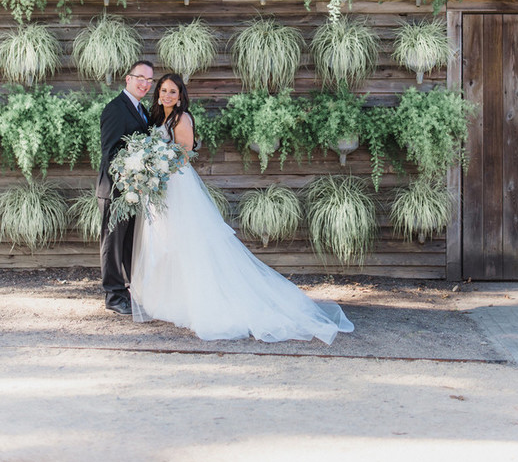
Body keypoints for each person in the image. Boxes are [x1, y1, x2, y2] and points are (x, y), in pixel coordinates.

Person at [130, 73, 354, 344]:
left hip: (177, 185)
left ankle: (200, 301)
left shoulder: (182, 119)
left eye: (172, 92)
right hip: (162, 186)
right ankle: (170, 296)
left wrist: (162, 168)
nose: (167, 95)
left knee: (189, 242)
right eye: (163, 91)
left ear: (180, 97)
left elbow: (186, 154)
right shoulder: (158, 119)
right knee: (167, 242)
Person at [96, 60, 154, 316]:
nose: (145, 84)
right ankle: (113, 295)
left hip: (135, 189)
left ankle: (129, 291)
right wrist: (127, 179)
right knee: (113, 243)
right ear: (128, 78)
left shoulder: (142, 109)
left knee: (129, 243)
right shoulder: (115, 109)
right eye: (140, 78)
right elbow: (110, 152)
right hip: (115, 190)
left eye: (149, 81)